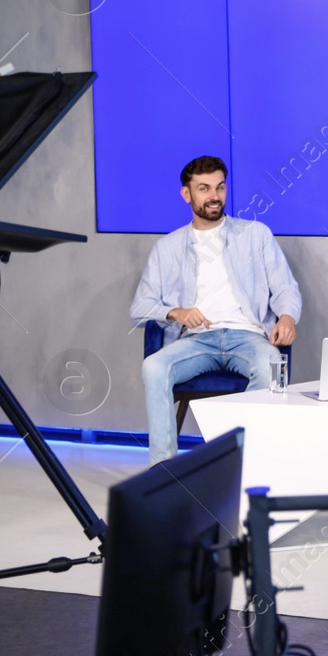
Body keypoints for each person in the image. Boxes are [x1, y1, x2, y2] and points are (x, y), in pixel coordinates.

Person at [130, 155, 302, 465]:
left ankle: (247, 464)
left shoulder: (255, 234)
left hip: (247, 336)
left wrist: (287, 317)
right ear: (187, 194)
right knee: (154, 367)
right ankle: (163, 469)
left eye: (220, 187)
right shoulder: (167, 248)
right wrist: (176, 313)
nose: (214, 196)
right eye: (204, 188)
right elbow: (140, 308)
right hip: (195, 339)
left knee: (270, 364)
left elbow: (286, 288)